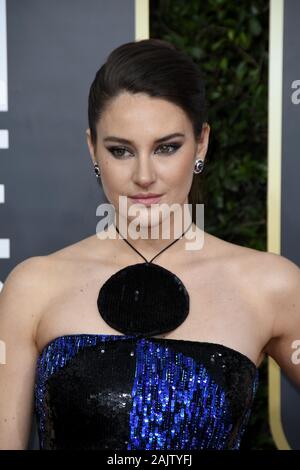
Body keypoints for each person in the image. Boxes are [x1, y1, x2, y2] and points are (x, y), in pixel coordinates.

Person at [0, 38, 300, 451]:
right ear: (93, 149)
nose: (144, 175)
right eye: (121, 150)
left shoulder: (271, 285)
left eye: (166, 148)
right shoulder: (33, 287)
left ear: (202, 144)